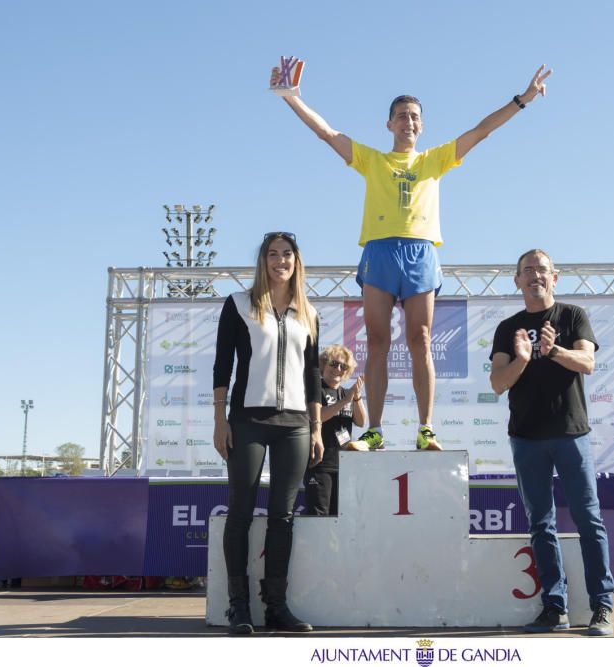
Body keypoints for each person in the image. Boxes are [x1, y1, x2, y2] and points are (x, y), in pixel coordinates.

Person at [272, 63, 553, 452]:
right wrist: (292, 98)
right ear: (389, 124)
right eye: (401, 115)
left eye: (415, 116)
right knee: (377, 341)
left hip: (420, 252)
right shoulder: (373, 160)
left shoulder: (434, 160)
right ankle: (375, 431)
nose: (408, 121)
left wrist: (522, 100)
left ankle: (426, 428)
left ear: (422, 126)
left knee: (420, 339)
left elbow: (481, 130)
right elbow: (327, 133)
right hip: (380, 251)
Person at [488, 249, 614, 636]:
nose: (535, 276)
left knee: (589, 520)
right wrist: (524, 359)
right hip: (526, 438)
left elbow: (588, 363)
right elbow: (497, 382)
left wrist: (554, 350)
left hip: (571, 434)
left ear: (554, 278)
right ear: (517, 281)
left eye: (541, 270)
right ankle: (553, 608)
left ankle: (602, 606)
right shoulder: (507, 328)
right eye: (527, 271)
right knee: (541, 524)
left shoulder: (572, 315)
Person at [212, 231, 323, 634]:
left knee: (283, 516)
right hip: (247, 421)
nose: (280, 261)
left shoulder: (308, 312)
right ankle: (238, 607)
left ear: (296, 261)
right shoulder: (239, 305)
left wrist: (316, 427)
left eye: (287, 255)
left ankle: (276, 607)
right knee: (240, 512)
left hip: (295, 424)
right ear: (263, 261)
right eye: (273, 254)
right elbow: (223, 365)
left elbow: (313, 376)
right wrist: (219, 419)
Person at [304, 344, 366, 516]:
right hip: (320, 465)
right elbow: (318, 416)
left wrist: (356, 397)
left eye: (343, 366)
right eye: (333, 364)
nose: (338, 369)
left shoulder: (347, 393)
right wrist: (345, 401)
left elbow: (361, 421)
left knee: (341, 516)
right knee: (319, 516)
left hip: (344, 466)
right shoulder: (316, 390)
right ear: (323, 364)